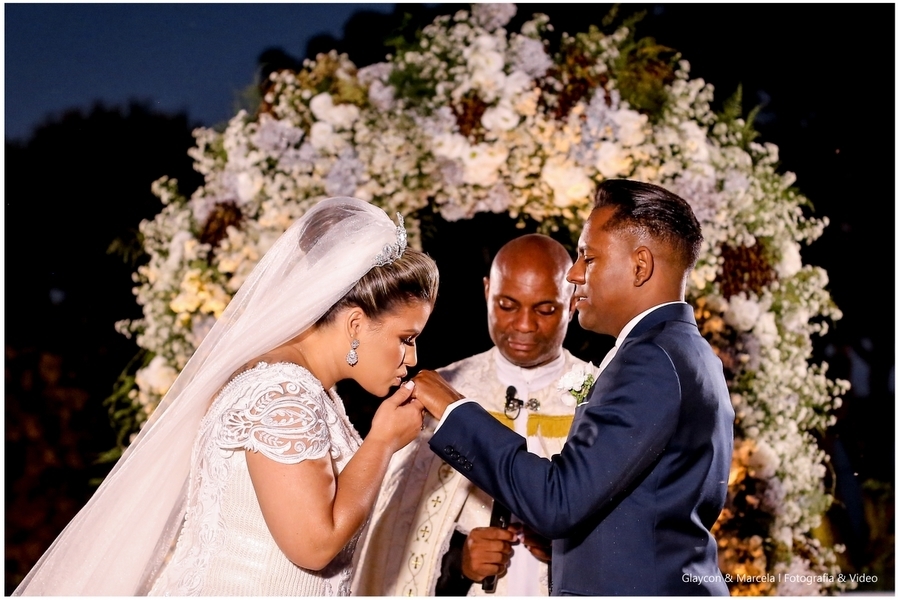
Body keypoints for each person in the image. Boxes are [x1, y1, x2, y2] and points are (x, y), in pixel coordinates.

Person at [13, 197, 439, 596]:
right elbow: (313, 544)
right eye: (406, 337)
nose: (412, 356)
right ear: (355, 324)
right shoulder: (283, 394)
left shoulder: (305, 388)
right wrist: (381, 442)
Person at [413, 179, 735, 596]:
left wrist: (454, 408)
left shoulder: (650, 358)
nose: (575, 273)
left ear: (640, 265)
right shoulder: (686, 349)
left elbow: (558, 502)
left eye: (589, 257)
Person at [353, 234, 593, 596]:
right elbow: (392, 536)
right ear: (486, 291)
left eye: (545, 310)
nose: (524, 325)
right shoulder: (440, 392)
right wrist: (458, 562)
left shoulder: (598, 395)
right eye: (507, 305)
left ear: (572, 301)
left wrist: (568, 548)